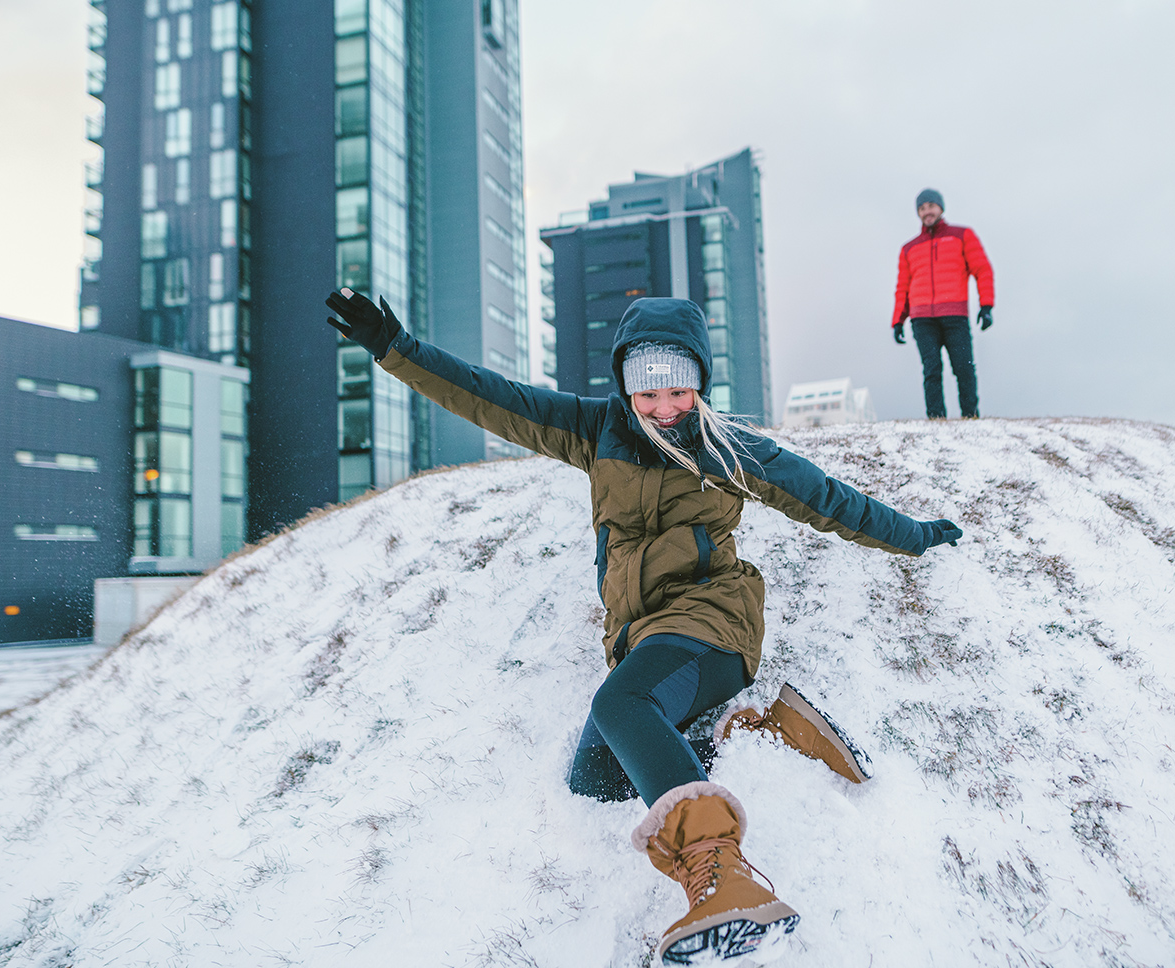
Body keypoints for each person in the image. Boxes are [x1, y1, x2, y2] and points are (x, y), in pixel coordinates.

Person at [325, 290, 963, 965]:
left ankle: (723, 874)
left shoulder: (727, 449)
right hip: (642, 636)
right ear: (625, 386)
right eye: (647, 393)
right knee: (596, 781)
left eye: (679, 392)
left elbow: (828, 500)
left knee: (621, 704)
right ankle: (759, 731)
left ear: (700, 384)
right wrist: (395, 349)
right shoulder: (594, 430)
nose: (663, 409)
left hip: (713, 622)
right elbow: (489, 398)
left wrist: (916, 536)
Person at [891, 188, 995, 419]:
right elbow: (903, 287)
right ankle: (936, 419)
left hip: (954, 314)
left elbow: (982, 270)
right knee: (931, 370)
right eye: (922, 208)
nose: (926, 211)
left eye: (931, 206)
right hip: (922, 318)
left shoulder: (962, 235)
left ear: (941, 208)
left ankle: (970, 417)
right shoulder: (908, 248)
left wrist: (986, 306)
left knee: (964, 367)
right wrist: (898, 320)